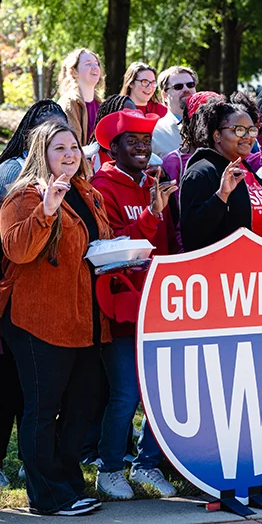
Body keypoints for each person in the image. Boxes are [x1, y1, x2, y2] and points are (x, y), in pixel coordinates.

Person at [0, 121, 111, 515]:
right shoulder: (24, 196)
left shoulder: (87, 192)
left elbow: (98, 246)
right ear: (41, 153)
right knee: (43, 410)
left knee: (81, 407)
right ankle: (45, 496)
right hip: (38, 319)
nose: (69, 154)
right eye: (58, 148)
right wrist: (46, 211)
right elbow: (18, 250)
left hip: (86, 320)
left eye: (74, 147)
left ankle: (68, 485)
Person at [0, 100, 68, 493]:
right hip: (2, 300)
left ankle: (32, 461)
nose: (58, 142)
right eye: (48, 132)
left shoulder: (66, 179)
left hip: (45, 304)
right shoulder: (12, 174)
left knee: (37, 391)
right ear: (31, 136)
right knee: (6, 387)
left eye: (64, 133)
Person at [89, 110, 179, 499]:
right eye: (132, 141)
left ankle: (146, 465)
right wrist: (149, 215)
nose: (142, 147)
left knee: (162, 392)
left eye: (146, 141)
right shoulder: (100, 187)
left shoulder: (155, 184)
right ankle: (109, 468)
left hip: (159, 300)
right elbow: (109, 247)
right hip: (120, 302)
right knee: (125, 392)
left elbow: (170, 241)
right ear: (114, 147)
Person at [180, 95, 262, 251]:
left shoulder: (248, 171)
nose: (247, 137)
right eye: (239, 130)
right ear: (217, 135)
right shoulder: (200, 172)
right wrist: (221, 196)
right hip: (227, 270)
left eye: (251, 130)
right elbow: (192, 235)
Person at [161, 91, 223, 185]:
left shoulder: (230, 155)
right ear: (192, 123)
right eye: (208, 120)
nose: (216, 126)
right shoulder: (174, 162)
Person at [57, 48, 104, 146]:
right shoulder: (68, 103)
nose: (95, 67)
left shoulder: (102, 105)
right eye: (88, 64)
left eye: (96, 63)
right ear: (74, 72)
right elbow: (71, 146)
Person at [151, 66, 197, 156]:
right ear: (164, 95)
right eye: (178, 87)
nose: (186, 89)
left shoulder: (212, 125)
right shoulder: (155, 133)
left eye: (190, 85)